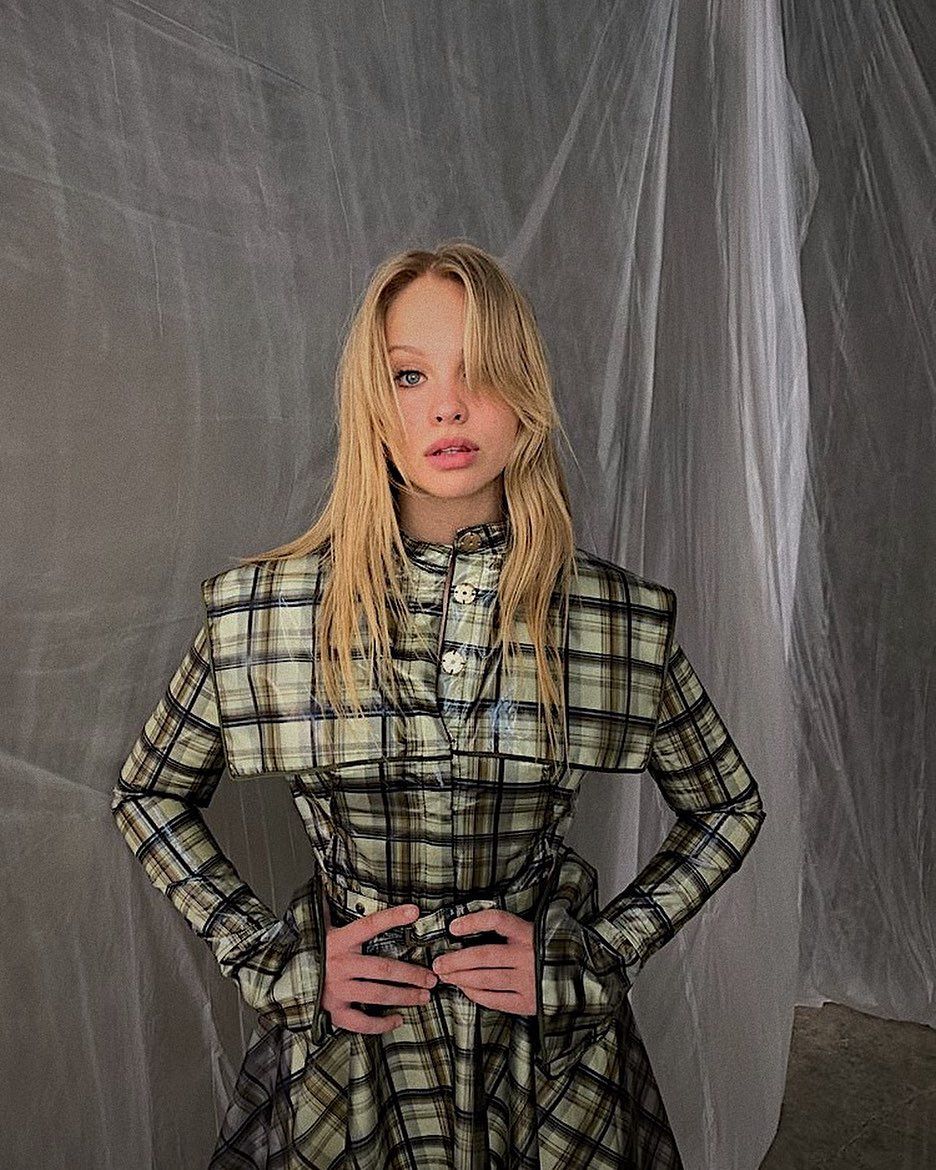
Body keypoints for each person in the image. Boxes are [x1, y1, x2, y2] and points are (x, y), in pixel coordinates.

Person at [111, 240, 766, 1169]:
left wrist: (598, 955)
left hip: (545, 1069)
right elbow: (149, 794)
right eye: (410, 376)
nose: (448, 407)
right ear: (371, 406)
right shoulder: (270, 612)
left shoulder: (606, 617)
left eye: (481, 372)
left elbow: (727, 804)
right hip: (349, 1065)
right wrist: (275, 962)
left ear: (526, 397)